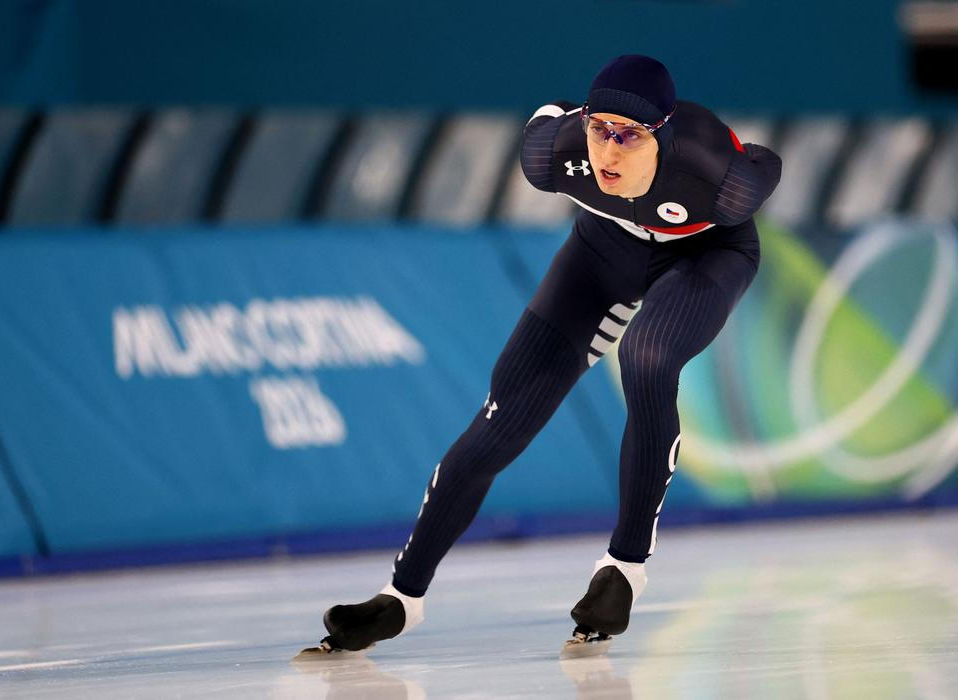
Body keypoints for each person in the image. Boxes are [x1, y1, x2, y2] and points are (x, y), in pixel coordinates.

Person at [301, 54, 782, 656]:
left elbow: (766, 162)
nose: (608, 152)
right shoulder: (553, 155)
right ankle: (400, 598)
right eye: (599, 129)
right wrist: (577, 124)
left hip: (703, 255)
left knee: (648, 359)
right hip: (604, 249)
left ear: (662, 136)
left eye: (629, 136)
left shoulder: (717, 176)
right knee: (500, 421)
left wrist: (750, 173)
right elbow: (548, 116)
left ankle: (623, 571)